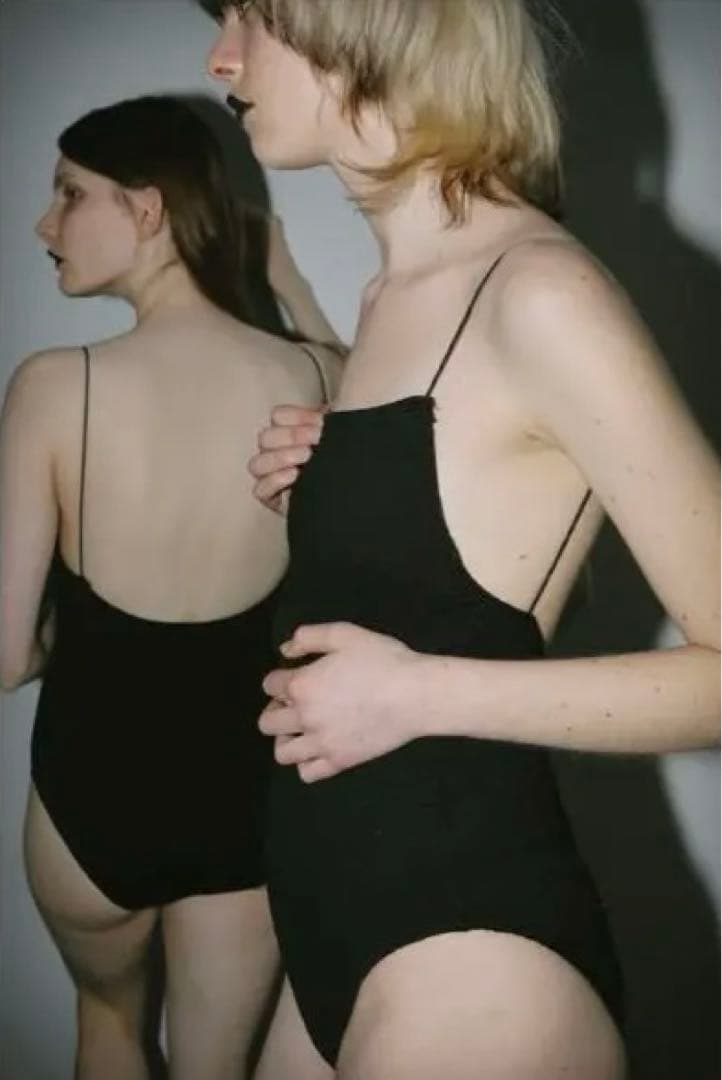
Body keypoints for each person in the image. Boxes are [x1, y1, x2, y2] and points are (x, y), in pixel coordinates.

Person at [204, 3, 720, 1079]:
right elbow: (473, 562)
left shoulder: (538, 290)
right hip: (334, 928)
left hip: (471, 962)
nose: (223, 57)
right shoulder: (389, 295)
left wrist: (418, 693)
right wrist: (338, 479)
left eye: (255, 16)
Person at [0, 93, 340, 1080]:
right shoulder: (313, 379)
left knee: (109, 1023)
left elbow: (7, 657)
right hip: (241, 808)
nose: (45, 224)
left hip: (91, 799)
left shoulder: (55, 385)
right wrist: (288, 281)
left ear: (147, 209)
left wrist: (81, 643)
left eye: (71, 194)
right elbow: (381, 394)